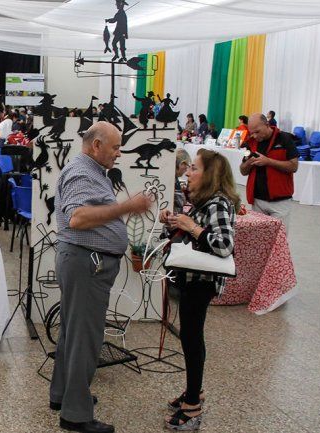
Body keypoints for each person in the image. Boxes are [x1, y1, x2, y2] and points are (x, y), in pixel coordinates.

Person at [50, 122, 151, 433]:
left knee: (73, 332)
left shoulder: (89, 170)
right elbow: (78, 217)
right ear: (96, 146)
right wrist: (126, 207)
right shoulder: (83, 172)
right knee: (86, 338)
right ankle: (76, 415)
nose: (119, 153)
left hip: (82, 261)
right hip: (86, 264)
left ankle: (63, 396)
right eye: (115, 147)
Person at [159, 149, 239, 431]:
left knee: (192, 338)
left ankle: (192, 404)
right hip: (192, 279)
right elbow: (195, 238)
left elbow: (223, 245)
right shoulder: (204, 202)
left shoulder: (218, 203)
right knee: (190, 337)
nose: (188, 172)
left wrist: (190, 225)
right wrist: (175, 223)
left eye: (194, 168)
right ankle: (195, 390)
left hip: (202, 282)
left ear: (209, 174)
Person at [240, 113, 298, 229]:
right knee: (258, 239)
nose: (255, 136)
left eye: (257, 131)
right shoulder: (251, 143)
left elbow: (293, 166)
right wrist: (249, 162)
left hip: (280, 202)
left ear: (267, 125)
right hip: (257, 200)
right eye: (252, 133)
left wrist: (268, 161)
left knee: (278, 240)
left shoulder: (285, 138)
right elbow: (243, 170)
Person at [174, 149, 191, 213]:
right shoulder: (174, 180)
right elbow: (181, 201)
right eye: (186, 165)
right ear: (181, 164)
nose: (186, 168)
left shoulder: (175, 178)